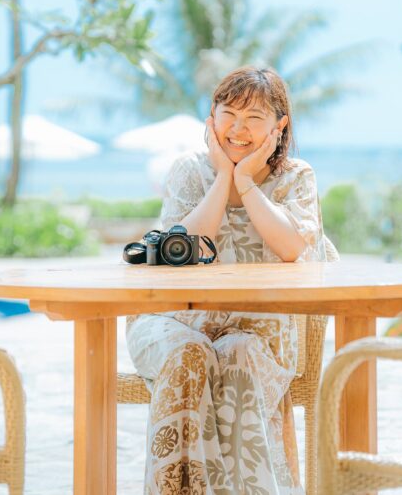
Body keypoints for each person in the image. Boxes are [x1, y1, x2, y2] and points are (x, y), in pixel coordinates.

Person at [126, 66, 338, 495]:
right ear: (212, 118)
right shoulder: (189, 170)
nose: (238, 129)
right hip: (173, 323)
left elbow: (290, 247)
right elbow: (187, 246)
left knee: (236, 355)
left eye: (254, 118)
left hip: (259, 333)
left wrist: (246, 181)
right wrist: (223, 177)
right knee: (189, 354)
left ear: (279, 126)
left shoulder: (296, 176)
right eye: (229, 115)